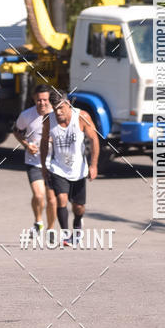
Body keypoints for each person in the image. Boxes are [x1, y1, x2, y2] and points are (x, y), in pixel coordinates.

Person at [40, 92, 99, 246]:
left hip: (78, 169)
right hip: (58, 167)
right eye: (55, 108)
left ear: (68, 104)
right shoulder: (48, 120)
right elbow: (44, 142)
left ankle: (78, 223)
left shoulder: (81, 116)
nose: (58, 112)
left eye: (61, 108)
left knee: (78, 207)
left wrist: (93, 165)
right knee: (61, 199)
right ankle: (66, 235)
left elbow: (94, 139)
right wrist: (44, 166)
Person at [13, 85, 57, 236]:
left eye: (45, 100)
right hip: (34, 161)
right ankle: (38, 222)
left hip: (53, 163)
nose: (42, 103)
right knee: (38, 195)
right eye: (39, 100)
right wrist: (26, 145)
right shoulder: (26, 115)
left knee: (51, 199)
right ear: (34, 99)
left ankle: (51, 228)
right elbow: (17, 131)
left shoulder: (56, 115)